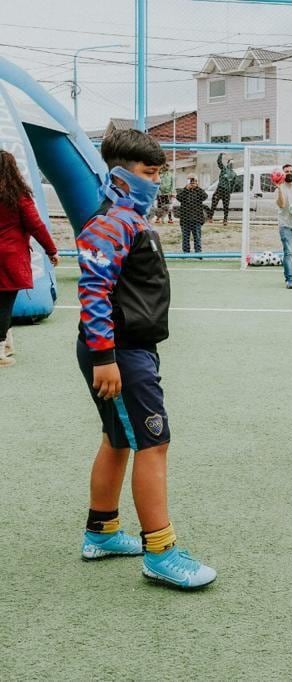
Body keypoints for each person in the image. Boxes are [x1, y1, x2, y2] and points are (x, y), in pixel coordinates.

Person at [75, 129, 215, 589]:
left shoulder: (132, 219)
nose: (156, 182)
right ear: (118, 174)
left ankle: (102, 531)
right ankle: (160, 551)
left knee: (117, 438)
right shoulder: (111, 222)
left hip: (132, 350)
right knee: (153, 444)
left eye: (158, 172)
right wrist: (105, 357)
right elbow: (94, 290)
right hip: (120, 353)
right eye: (148, 173)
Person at [0, 149, 60, 368]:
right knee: (5, 305)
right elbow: (36, 226)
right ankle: (0, 351)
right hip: (10, 258)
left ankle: (7, 344)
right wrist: (51, 250)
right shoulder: (18, 197)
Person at [176, 175, 207, 255]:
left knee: (197, 237)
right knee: (185, 238)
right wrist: (186, 189)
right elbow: (179, 198)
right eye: (191, 180)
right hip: (185, 219)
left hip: (196, 219)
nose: (192, 182)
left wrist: (197, 187)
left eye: (194, 180)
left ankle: (198, 253)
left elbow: (205, 196)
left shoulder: (199, 191)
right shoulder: (183, 190)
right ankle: (186, 253)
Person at [210, 153, 236, 225]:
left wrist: (230, 191)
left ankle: (225, 220)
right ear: (228, 163)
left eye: (233, 163)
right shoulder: (224, 169)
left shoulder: (234, 174)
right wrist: (221, 154)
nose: (232, 164)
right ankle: (210, 217)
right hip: (220, 189)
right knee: (214, 203)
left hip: (227, 191)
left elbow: (233, 184)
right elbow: (219, 162)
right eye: (231, 163)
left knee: (226, 206)